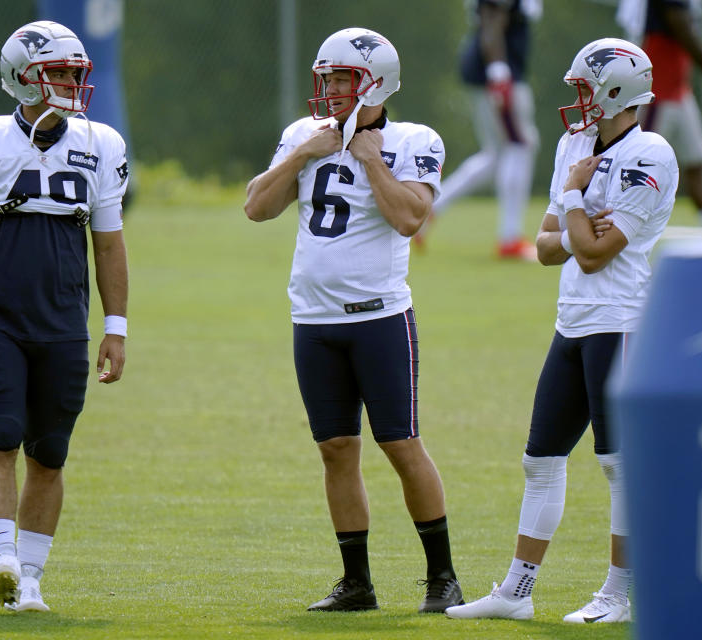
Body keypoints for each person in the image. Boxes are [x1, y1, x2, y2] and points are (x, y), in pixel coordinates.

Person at [445, 37, 677, 623]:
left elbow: (596, 253)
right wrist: (578, 220)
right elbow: (550, 247)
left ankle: (619, 596)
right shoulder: (576, 143)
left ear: (615, 89)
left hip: (620, 320)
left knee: (618, 463)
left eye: (584, 88)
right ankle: (517, 593)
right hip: (572, 320)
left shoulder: (651, 153)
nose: (576, 99)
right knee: (541, 459)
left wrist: (575, 199)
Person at [244, 27, 463, 614]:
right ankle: (356, 583)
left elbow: (411, 219)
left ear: (377, 83)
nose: (332, 90)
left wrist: (372, 164)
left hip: (379, 319)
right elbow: (256, 207)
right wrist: (301, 155)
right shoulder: (304, 135)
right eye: (328, 78)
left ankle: (442, 577)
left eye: (344, 79)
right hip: (313, 320)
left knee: (401, 444)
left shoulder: (415, 140)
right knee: (336, 448)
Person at [0, 20, 130, 612]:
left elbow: (109, 245)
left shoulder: (102, 144)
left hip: (64, 321)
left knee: (50, 452)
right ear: (22, 78)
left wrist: (115, 327)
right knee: (0, 437)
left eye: (77, 72)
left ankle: (30, 581)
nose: (74, 82)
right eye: (60, 72)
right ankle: (1, 556)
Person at [415, 0, 542, 260]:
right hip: (498, 72)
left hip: (490, 71)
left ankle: (431, 208)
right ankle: (510, 238)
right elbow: (491, 17)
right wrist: (499, 72)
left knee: (496, 155)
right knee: (520, 147)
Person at [618, 0, 702, 234]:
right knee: (640, 163)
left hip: (679, 89)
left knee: (697, 161)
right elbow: (683, 30)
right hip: (657, 86)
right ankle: (618, 228)